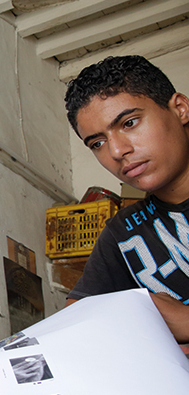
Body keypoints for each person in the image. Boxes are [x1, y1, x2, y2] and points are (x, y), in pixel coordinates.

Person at [64, 55, 189, 351]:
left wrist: (184, 322)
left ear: (181, 109)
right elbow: (75, 329)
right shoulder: (123, 233)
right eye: (97, 143)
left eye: (129, 123)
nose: (117, 151)